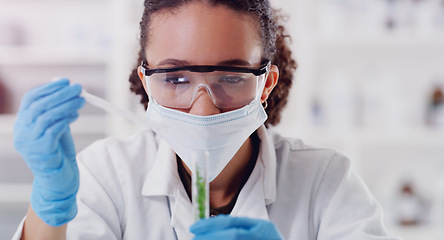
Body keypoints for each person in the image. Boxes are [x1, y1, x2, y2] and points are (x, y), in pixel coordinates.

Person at [12, 0, 401, 239]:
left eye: (231, 77)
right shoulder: (106, 176)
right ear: (147, 82)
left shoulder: (325, 181)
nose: (203, 109)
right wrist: (49, 205)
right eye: (176, 78)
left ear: (265, 85)